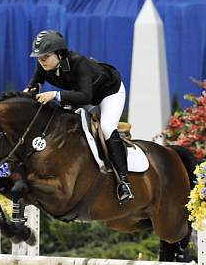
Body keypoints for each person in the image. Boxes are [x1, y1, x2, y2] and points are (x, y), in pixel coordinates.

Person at [24, 30, 133, 204]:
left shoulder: (78, 63)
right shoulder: (43, 66)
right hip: (80, 93)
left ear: (60, 54)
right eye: (38, 57)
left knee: (106, 127)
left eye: (45, 56)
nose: (41, 60)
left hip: (108, 92)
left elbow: (86, 97)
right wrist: (26, 93)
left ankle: (124, 182)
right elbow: (33, 86)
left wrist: (55, 95)